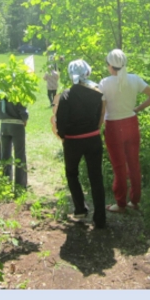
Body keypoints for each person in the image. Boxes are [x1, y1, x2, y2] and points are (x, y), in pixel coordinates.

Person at [99, 49, 150, 213]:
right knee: (134, 164)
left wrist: (98, 127)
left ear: (110, 65)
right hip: (131, 123)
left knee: (119, 166)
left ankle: (120, 203)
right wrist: (137, 109)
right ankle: (135, 200)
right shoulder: (134, 79)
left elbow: (102, 110)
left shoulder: (104, 83)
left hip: (113, 126)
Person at [52, 59, 107, 229]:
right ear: (87, 72)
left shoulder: (66, 95)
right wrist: (94, 130)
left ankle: (80, 209)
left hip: (73, 141)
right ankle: (100, 218)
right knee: (96, 177)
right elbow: (99, 117)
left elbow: (61, 121)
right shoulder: (97, 93)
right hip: (93, 138)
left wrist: (63, 137)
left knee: (72, 174)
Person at [0, 98, 29, 189]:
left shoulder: (0, 94)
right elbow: (23, 111)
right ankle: (20, 185)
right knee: (20, 154)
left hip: (4, 125)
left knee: (5, 155)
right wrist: (25, 118)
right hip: (17, 125)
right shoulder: (16, 94)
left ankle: (6, 183)